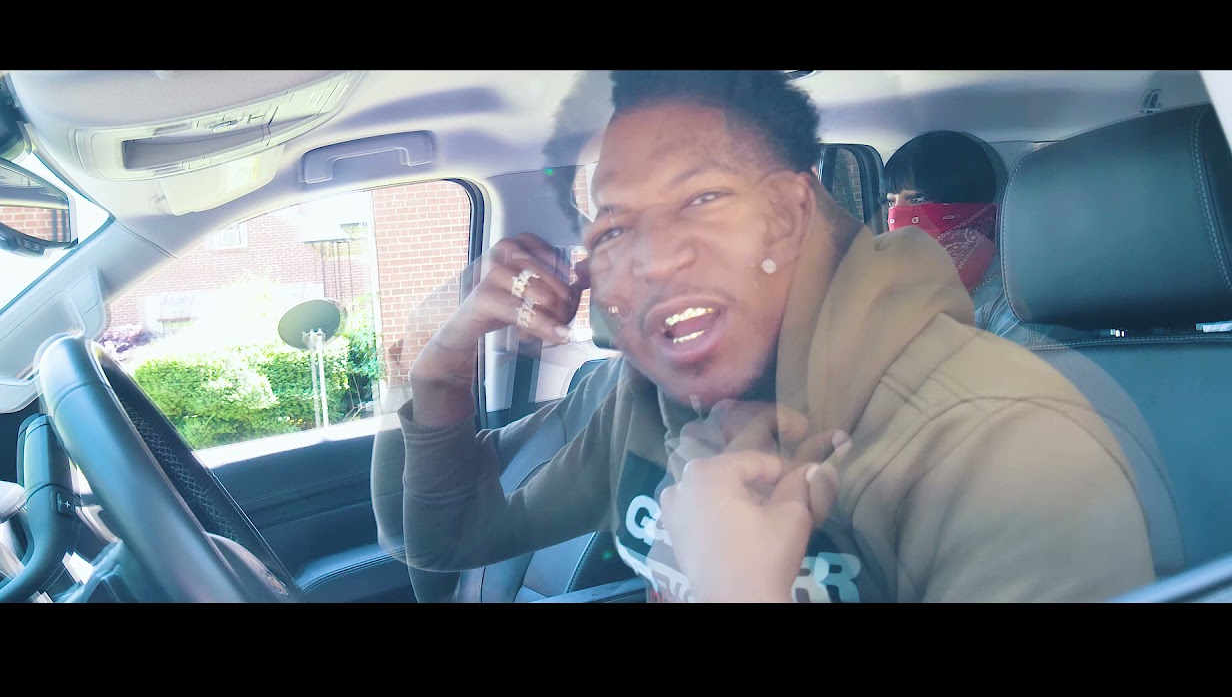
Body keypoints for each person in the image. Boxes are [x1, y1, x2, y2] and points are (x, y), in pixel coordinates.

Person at [376, 70, 1155, 603]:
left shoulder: (1008, 443)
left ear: (787, 213)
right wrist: (436, 359)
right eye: (615, 226)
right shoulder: (644, 400)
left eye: (703, 198)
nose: (652, 258)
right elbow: (449, 542)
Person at [881, 131, 1083, 345]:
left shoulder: (1019, 307)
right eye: (890, 203)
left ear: (966, 203)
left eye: (917, 199)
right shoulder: (900, 292)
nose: (895, 216)